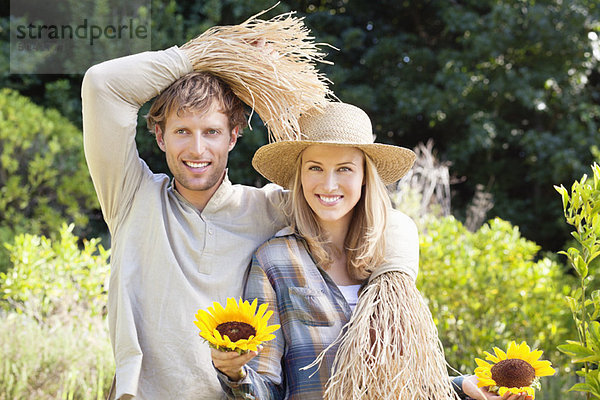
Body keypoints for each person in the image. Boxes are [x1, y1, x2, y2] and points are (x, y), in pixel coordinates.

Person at [81, 14, 432, 400]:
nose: (197, 149)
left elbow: (375, 212)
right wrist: (206, 55)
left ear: (233, 136)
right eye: (183, 131)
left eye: (211, 132)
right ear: (160, 136)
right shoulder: (130, 196)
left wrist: (393, 278)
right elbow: (102, 84)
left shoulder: (265, 208)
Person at [211, 102, 533, 400]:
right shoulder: (274, 261)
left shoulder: (391, 262)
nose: (329, 184)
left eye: (345, 169)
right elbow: (264, 385)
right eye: (315, 168)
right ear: (299, 175)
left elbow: (401, 383)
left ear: (366, 176)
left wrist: (463, 386)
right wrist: (235, 372)